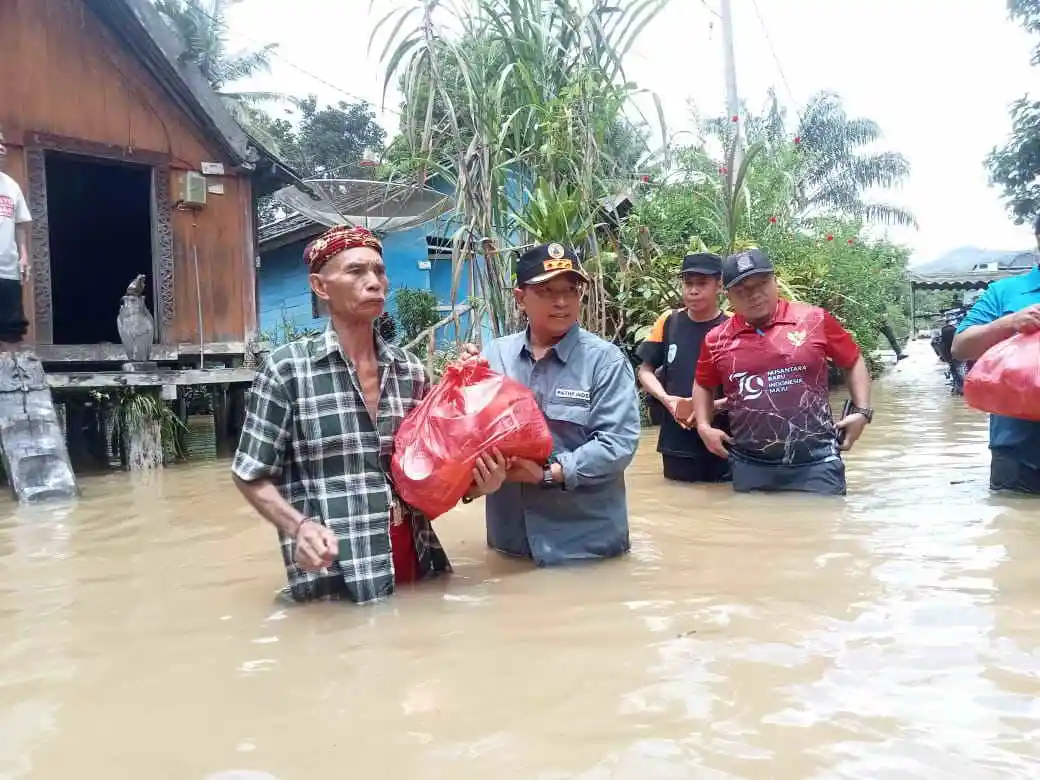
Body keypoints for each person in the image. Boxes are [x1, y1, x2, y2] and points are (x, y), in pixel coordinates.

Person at [231, 225, 508, 604]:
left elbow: (430, 474)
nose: (374, 282)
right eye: (356, 271)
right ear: (320, 286)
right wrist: (299, 527)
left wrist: (478, 487)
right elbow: (250, 474)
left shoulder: (410, 371)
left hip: (418, 565)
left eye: (379, 271)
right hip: (339, 576)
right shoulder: (287, 371)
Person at [465, 242, 641, 565]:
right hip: (511, 547)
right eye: (547, 291)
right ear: (521, 299)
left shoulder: (605, 361)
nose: (562, 302)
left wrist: (545, 474)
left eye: (571, 291)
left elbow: (618, 444)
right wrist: (462, 381)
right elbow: (468, 437)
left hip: (586, 551)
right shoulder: (494, 357)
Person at [689, 248, 873, 496]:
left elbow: (852, 359)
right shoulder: (716, 339)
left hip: (817, 460)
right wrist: (703, 426)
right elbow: (703, 384)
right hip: (750, 463)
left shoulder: (814, 319)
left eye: (762, 284)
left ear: (775, 281)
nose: (754, 295)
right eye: (742, 290)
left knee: (823, 529)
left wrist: (862, 411)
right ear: (728, 295)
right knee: (754, 532)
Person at [951, 215, 1040, 494]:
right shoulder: (1005, 292)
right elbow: (960, 347)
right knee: (1014, 530)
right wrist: (1010, 323)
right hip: (1016, 449)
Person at [636, 252, 731, 483]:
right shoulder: (669, 321)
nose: (693, 290)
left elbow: (750, 385)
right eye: (688, 283)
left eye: (702, 284)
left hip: (723, 436)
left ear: (719, 285)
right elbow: (644, 371)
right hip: (676, 440)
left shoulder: (733, 325)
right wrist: (668, 400)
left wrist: (710, 407)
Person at [0, 127, 32, 352]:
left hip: (8, 270)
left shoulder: (11, 186)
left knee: (12, 329)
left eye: (3, 144)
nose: (2, 149)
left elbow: (20, 224)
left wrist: (23, 256)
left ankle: (10, 380)